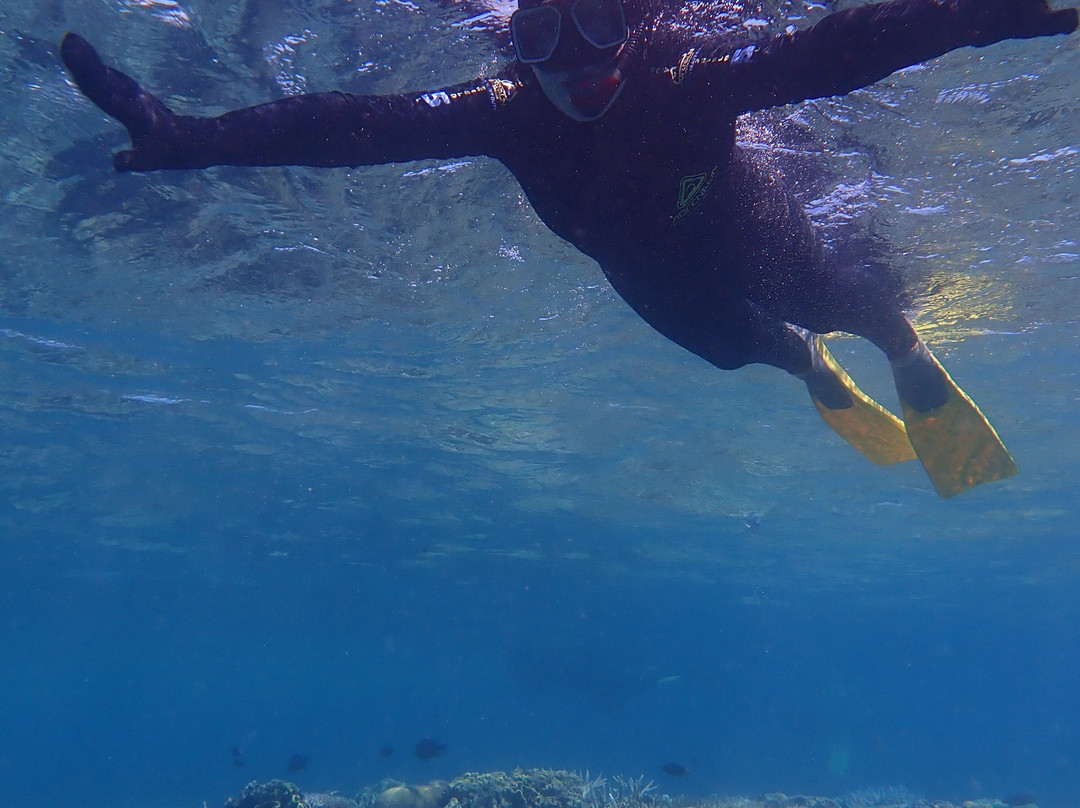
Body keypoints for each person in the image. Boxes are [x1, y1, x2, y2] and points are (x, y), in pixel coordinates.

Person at [59, 0, 1077, 497]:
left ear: (635, 19)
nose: (577, 59)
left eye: (599, 18)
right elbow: (348, 125)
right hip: (643, 271)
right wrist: (196, 140)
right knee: (735, 348)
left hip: (746, 218)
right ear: (512, 40)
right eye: (547, 28)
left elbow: (846, 47)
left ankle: (903, 347)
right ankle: (809, 366)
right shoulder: (506, 115)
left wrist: (993, 19)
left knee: (834, 295)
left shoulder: (690, 78)